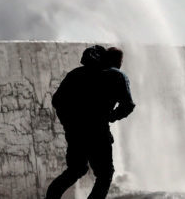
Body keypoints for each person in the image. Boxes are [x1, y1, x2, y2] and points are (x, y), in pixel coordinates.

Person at [46, 46, 135, 199]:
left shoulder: (75, 74)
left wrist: (69, 123)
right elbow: (128, 105)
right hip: (98, 133)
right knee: (105, 174)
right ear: (116, 61)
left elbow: (57, 101)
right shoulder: (116, 76)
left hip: (75, 133)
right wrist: (110, 117)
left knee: (76, 169)